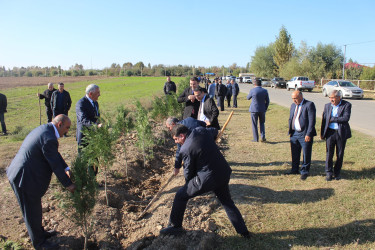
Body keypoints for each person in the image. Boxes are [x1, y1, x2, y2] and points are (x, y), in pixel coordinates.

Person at [160, 125, 251, 238]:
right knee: (227, 201)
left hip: (208, 178)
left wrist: (188, 186)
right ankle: (244, 232)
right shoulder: (200, 130)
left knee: (180, 195)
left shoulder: (185, 149)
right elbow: (213, 131)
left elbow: (188, 173)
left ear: (182, 136)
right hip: (222, 172)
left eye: (176, 139)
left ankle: (175, 226)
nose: (176, 142)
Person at [6, 115, 76, 249]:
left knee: (35, 209)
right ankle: (40, 244)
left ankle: (40, 233)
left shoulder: (46, 130)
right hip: (24, 177)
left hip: (26, 174)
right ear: (60, 124)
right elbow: (54, 164)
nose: (67, 131)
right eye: (67, 128)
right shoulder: (48, 137)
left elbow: (54, 154)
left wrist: (66, 167)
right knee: (31, 211)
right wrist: (69, 184)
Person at [321, 90, 352, 181]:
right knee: (329, 153)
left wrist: (333, 119)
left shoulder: (346, 105)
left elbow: (346, 118)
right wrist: (323, 133)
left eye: (333, 98)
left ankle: (337, 172)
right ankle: (328, 172)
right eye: (330, 98)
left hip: (340, 133)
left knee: (339, 154)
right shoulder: (327, 106)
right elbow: (324, 120)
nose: (331, 100)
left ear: (339, 97)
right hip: (330, 133)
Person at [286, 91, 316, 180]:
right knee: (295, 152)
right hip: (294, 133)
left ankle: (304, 171)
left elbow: (312, 121)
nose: (294, 100)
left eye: (295, 98)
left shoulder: (309, 105)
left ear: (301, 97)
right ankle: (294, 169)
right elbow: (291, 118)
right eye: (293, 99)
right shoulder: (293, 105)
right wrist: (290, 131)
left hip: (304, 134)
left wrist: (308, 134)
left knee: (306, 153)